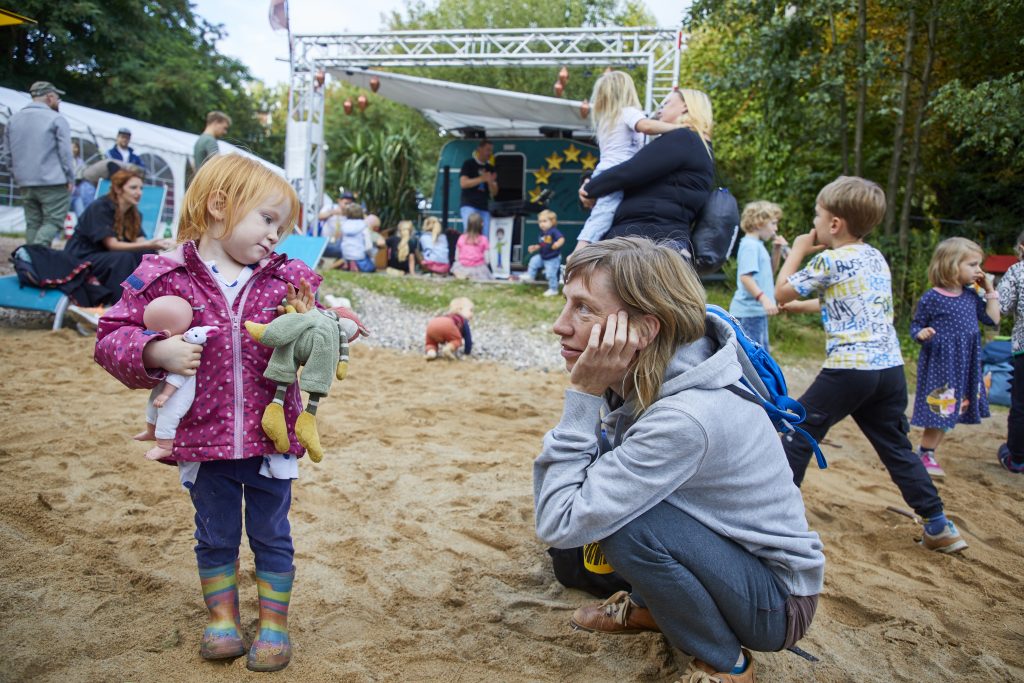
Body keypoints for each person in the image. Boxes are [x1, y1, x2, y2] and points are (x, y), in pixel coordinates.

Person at [534, 237, 824, 683]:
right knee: (622, 504)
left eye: (584, 309)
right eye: (566, 304)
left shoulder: (686, 417)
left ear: (645, 330)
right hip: (731, 558)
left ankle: (727, 662)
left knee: (625, 526)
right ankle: (654, 610)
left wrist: (583, 397)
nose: (560, 325)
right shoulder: (658, 371)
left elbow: (559, 520)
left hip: (776, 602)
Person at [94, 153, 319, 672]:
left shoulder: (286, 277)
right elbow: (111, 337)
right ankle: (222, 619)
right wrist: (155, 352)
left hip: (270, 439)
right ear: (221, 205)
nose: (274, 236)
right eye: (266, 219)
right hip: (202, 437)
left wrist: (330, 327)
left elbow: (320, 323)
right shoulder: (165, 273)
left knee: (272, 533)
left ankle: (275, 625)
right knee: (214, 532)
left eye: (281, 227)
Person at [774, 175, 967, 553]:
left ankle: (774, 514)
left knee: (799, 432)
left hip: (850, 369)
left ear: (834, 224)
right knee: (896, 447)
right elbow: (853, 302)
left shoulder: (828, 258)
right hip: (889, 371)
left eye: (817, 215)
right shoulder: (874, 257)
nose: (813, 224)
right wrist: (802, 306)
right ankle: (938, 523)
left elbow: (780, 288)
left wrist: (796, 251)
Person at [578, 89, 714, 255]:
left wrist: (590, 188)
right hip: (662, 240)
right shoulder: (701, 147)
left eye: (666, 103)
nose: (659, 110)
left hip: (645, 239)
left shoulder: (683, 138)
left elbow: (629, 171)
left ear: (685, 107)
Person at [910, 237, 999, 477]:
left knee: (954, 410)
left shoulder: (971, 296)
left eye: (979, 264)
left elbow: (993, 320)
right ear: (950, 265)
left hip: (965, 364)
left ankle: (928, 452)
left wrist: (990, 290)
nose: (979, 270)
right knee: (940, 409)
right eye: (972, 264)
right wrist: (922, 333)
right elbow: (915, 326)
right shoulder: (932, 297)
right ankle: (925, 453)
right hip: (942, 363)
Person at [574, 71, 686, 249]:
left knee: (606, 212)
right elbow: (646, 126)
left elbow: (647, 123)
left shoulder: (608, 118)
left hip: (608, 169)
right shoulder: (627, 112)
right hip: (618, 171)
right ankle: (581, 249)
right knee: (604, 213)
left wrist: (657, 118)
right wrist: (679, 128)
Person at [64, 168, 174, 304]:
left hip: (107, 257)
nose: (139, 193)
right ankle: (122, 305)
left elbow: (142, 242)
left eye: (141, 188)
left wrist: (164, 246)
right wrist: (149, 244)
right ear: (118, 189)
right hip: (81, 257)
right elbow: (111, 244)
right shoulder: (100, 207)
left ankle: (148, 300)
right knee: (123, 259)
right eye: (133, 188)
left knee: (148, 254)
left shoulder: (134, 214)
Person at [0, 81, 75, 246]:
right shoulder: (56, 118)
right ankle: (34, 256)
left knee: (33, 223)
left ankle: (29, 263)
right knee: (53, 221)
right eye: (57, 98)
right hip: (53, 182)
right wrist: (70, 178)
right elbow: (65, 153)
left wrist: (17, 175)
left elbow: (6, 154)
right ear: (49, 97)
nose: (58, 101)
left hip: (25, 182)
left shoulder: (13, 119)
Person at [728, 201, 788, 351]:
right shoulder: (750, 246)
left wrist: (776, 251)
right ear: (759, 222)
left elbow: (770, 271)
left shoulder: (757, 245)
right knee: (755, 359)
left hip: (755, 312)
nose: (776, 228)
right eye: (773, 223)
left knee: (760, 355)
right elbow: (745, 277)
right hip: (748, 312)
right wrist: (765, 299)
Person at [996, 230, 1024, 474]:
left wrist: (986, 292)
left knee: (1021, 404)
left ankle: (1017, 457)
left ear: (1021, 249)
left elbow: (1002, 307)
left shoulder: (1018, 271)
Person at [459, 139, 498, 238]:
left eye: (491, 150)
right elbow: (463, 183)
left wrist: (490, 182)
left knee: (484, 237)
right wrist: (481, 179)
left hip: (484, 207)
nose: (489, 153)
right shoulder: (469, 164)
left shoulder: (491, 168)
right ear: (479, 149)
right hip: (469, 205)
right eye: (487, 150)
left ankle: (482, 254)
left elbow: (494, 192)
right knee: (470, 234)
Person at [526, 209, 565, 296]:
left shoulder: (553, 231)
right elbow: (543, 244)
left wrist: (557, 244)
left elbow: (561, 238)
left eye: (544, 221)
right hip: (543, 256)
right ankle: (530, 276)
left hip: (552, 257)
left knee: (551, 274)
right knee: (533, 261)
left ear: (552, 221)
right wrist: (535, 247)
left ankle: (553, 289)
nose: (541, 224)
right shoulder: (543, 233)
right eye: (540, 221)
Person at [334, 202, 376, 272]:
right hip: (360, 257)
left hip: (346, 255)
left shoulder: (344, 225)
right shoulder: (364, 226)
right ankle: (356, 265)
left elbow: (340, 241)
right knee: (372, 266)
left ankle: (348, 264)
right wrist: (371, 255)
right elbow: (368, 246)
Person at [451, 212, 491, 281]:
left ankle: (463, 276)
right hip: (478, 268)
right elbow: (487, 260)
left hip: (462, 267)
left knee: (457, 272)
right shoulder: (484, 239)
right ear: (480, 225)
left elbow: (456, 257)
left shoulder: (461, 237)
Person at [320, 190, 355, 255]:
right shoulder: (330, 207)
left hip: (342, 243)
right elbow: (319, 216)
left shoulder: (352, 212)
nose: (348, 206)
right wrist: (333, 212)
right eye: (346, 203)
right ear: (339, 201)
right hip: (326, 241)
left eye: (350, 204)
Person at [69, 141, 98, 217]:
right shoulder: (65, 161)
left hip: (77, 193)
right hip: (66, 193)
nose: (74, 149)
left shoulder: (80, 161)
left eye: (75, 147)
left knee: (81, 213)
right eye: (72, 147)